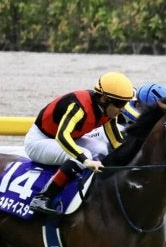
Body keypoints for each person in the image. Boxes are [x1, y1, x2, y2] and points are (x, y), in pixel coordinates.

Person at [24, 71, 135, 215]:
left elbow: (116, 142)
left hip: (69, 138)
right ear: (104, 99)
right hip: (39, 141)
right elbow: (62, 136)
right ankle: (42, 197)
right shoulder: (79, 107)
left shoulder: (108, 110)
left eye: (125, 103)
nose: (123, 109)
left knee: (101, 149)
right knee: (85, 155)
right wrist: (85, 160)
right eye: (120, 104)